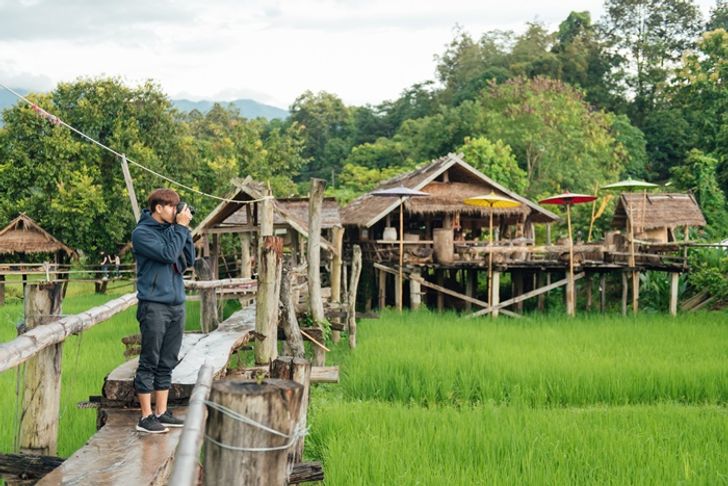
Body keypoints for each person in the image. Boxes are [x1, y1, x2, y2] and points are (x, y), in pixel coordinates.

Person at [131, 188, 194, 433]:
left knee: (167, 361)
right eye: (171, 207)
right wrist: (179, 229)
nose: (175, 211)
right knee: (150, 360)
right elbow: (168, 255)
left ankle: (161, 412)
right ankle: (145, 417)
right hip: (154, 305)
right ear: (159, 208)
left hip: (176, 304)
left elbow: (188, 259)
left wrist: (184, 230)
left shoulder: (173, 231)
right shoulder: (142, 233)